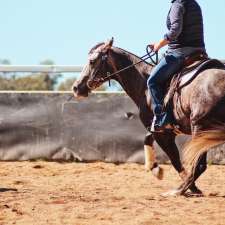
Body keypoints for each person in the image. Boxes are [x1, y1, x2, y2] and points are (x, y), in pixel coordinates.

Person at [147, 0, 206, 132]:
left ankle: (163, 119)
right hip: (199, 51)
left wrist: (159, 45)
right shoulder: (194, 3)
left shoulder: (178, 5)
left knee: (153, 81)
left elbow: (175, 30)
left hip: (180, 53)